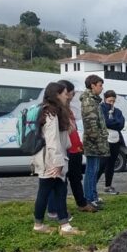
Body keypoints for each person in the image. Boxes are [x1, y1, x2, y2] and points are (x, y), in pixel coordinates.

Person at [33, 82, 84, 236]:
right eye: (64, 93)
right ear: (57, 95)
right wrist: (58, 163)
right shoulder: (51, 114)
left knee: (59, 190)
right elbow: (53, 140)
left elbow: (64, 136)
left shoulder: (53, 112)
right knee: (46, 191)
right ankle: (41, 225)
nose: (66, 95)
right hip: (51, 160)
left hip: (52, 158)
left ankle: (63, 225)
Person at [54, 80, 96, 213]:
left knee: (76, 178)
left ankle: (81, 203)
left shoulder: (68, 109)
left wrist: (79, 144)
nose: (70, 97)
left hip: (75, 149)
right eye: (69, 93)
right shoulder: (57, 110)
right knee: (62, 181)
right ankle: (59, 207)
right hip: (66, 150)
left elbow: (73, 130)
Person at [81, 74, 109, 210]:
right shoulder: (88, 101)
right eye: (100, 85)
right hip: (93, 142)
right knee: (91, 171)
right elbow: (91, 125)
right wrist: (99, 142)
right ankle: (89, 198)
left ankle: (93, 196)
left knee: (94, 169)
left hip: (97, 141)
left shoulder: (94, 100)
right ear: (92, 85)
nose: (102, 88)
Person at [97, 90, 125, 195]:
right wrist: (114, 123)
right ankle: (92, 186)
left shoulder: (117, 111)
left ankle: (108, 186)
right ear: (105, 99)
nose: (111, 103)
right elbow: (104, 122)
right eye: (109, 101)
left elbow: (121, 124)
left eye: (113, 101)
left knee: (111, 164)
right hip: (105, 140)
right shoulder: (101, 108)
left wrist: (113, 123)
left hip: (116, 140)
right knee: (102, 164)